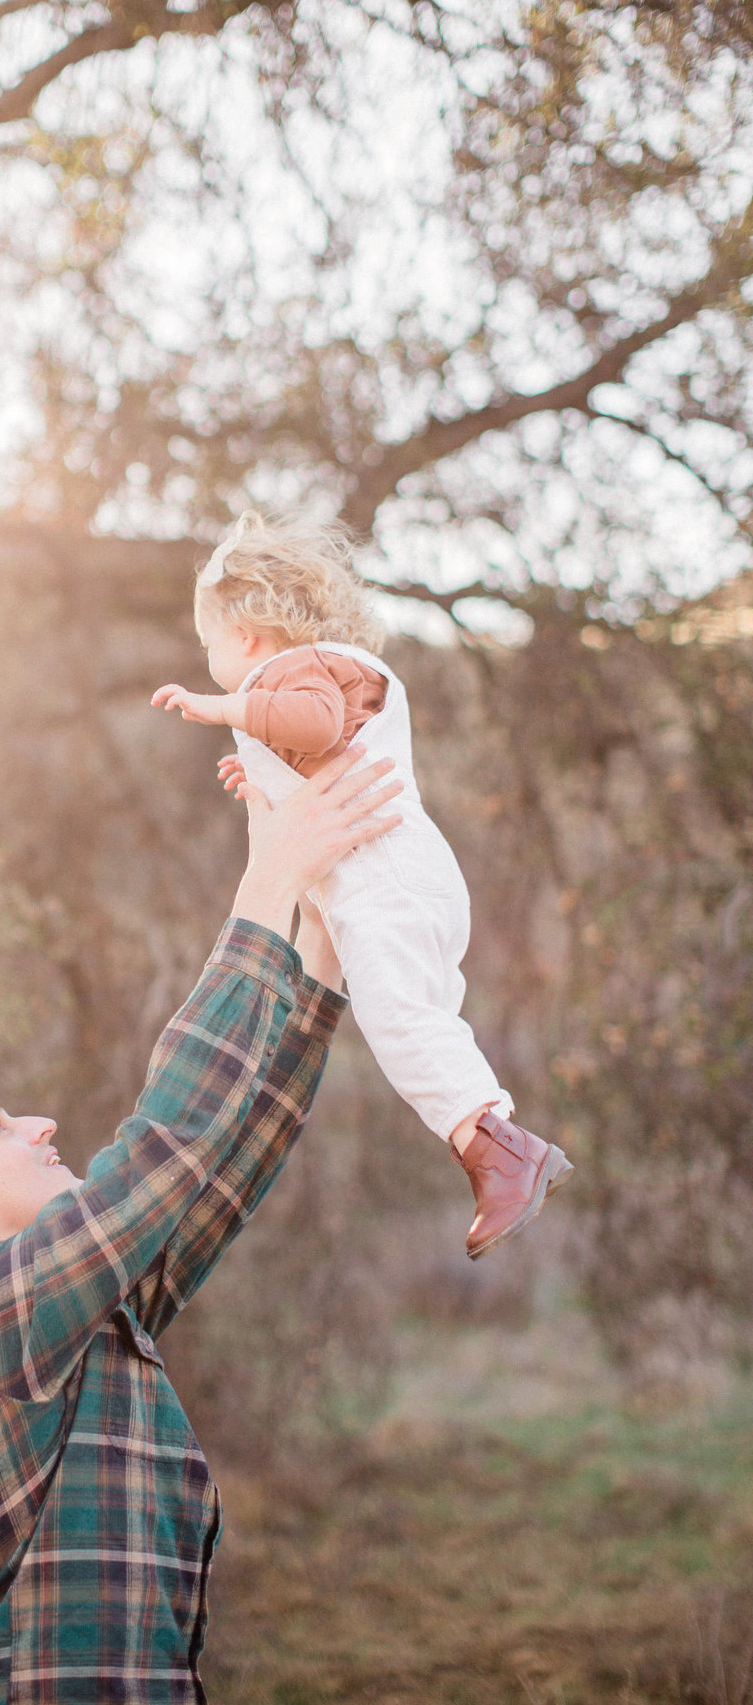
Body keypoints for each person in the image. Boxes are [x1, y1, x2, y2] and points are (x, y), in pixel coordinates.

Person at [0, 746, 402, 1705]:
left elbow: (214, 1173)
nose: (42, 1125)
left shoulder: (81, 1318)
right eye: (2, 1130)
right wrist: (265, 882)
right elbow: (160, 1153)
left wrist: (317, 954)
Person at [151, 510, 572, 1260]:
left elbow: (313, 725)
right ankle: (499, 1144)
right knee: (425, 1021)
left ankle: (502, 1155)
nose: (208, 657)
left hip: (385, 883)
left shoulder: (290, 675)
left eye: (206, 640)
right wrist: (261, 774)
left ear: (245, 635)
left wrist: (223, 708)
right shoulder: (308, 675)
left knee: (401, 1021)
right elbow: (312, 755)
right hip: (410, 876)